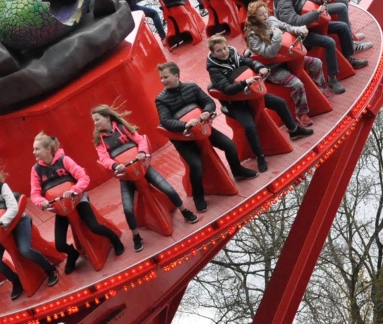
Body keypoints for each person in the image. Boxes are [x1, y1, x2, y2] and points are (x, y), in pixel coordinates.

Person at [155, 62, 258, 212]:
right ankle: (198, 196)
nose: (162, 81)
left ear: (176, 75)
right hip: (183, 138)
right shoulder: (161, 99)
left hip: (202, 129)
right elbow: (166, 121)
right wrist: (184, 125)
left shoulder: (192, 87)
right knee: (196, 165)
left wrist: (206, 111)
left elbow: (208, 102)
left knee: (229, 145)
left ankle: (237, 171)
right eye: (161, 78)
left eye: (165, 77)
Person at [92, 104, 198, 250]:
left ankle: (184, 210)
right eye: (94, 121)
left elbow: (140, 140)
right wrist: (115, 166)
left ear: (107, 118)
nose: (95, 124)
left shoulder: (123, 127)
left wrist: (142, 152)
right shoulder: (100, 141)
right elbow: (103, 159)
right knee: (128, 209)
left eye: (97, 120)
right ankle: (136, 236)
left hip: (143, 168)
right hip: (126, 177)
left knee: (168, 189)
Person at [205, 35, 314, 172]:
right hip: (235, 102)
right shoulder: (214, 70)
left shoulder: (233, 54)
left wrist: (259, 66)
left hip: (250, 93)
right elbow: (227, 89)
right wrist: (244, 83)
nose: (224, 52)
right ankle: (260, 156)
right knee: (249, 126)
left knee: (279, 103)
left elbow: (247, 61)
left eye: (225, 48)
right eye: (219, 51)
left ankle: (293, 130)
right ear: (213, 53)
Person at [30, 132, 124, 274]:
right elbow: (34, 193)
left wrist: (74, 190)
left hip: (78, 201)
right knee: (60, 244)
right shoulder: (36, 170)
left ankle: (114, 239)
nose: (34, 152)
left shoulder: (64, 160)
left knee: (94, 226)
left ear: (47, 149)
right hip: (60, 208)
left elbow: (83, 177)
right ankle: (72, 254)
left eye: (37, 149)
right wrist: (41, 202)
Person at [270, 0, 369, 95]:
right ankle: (332, 79)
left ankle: (349, 58)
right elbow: (294, 22)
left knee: (342, 27)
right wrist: (315, 13)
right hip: (298, 36)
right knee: (328, 42)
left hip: (308, 27)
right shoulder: (283, 1)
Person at [0, 157, 59, 300]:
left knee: (25, 250)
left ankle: (50, 269)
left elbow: (13, 208)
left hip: (18, 222)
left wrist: (0, 221)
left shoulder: (2, 187)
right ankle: (16, 281)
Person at [243, 0, 328, 127]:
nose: (265, 15)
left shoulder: (272, 20)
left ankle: (321, 89)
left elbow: (287, 26)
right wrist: (277, 35)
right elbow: (269, 53)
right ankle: (301, 113)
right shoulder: (253, 35)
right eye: (261, 14)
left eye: (265, 12)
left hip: (287, 59)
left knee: (316, 63)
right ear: (254, 17)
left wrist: (300, 29)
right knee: (297, 84)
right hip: (272, 68)